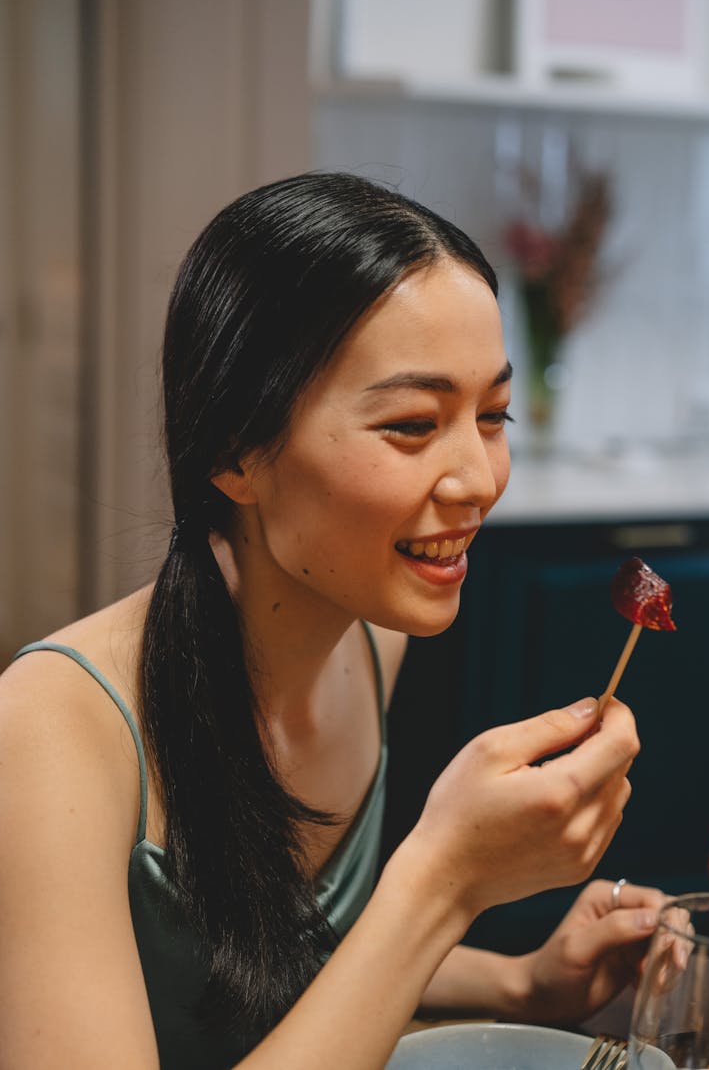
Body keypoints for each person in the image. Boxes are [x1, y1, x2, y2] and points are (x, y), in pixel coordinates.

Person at [0, 172, 663, 1070]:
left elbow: (284, 964)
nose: (478, 479)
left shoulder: (371, 637)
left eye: (493, 414)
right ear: (238, 450)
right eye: (413, 424)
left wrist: (523, 982)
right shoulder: (50, 727)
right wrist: (442, 881)